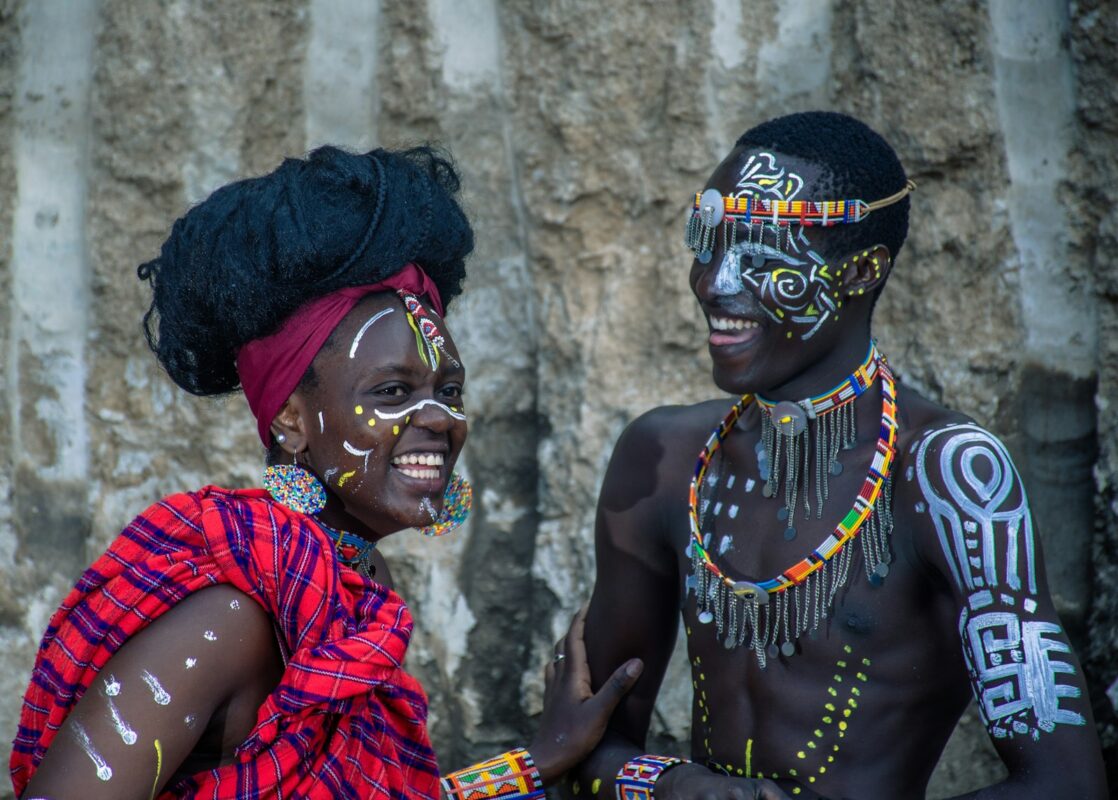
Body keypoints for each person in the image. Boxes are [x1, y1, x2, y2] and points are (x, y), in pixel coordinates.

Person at [10, 145, 642, 799]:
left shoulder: (353, 589)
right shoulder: (230, 623)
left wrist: (538, 761)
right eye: (393, 392)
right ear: (290, 419)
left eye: (449, 392)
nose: (442, 420)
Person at [575, 111, 1108, 800]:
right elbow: (581, 747)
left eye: (760, 254)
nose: (712, 282)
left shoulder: (949, 477)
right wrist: (676, 787)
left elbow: (1066, 787)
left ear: (860, 269)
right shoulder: (663, 459)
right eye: (708, 241)